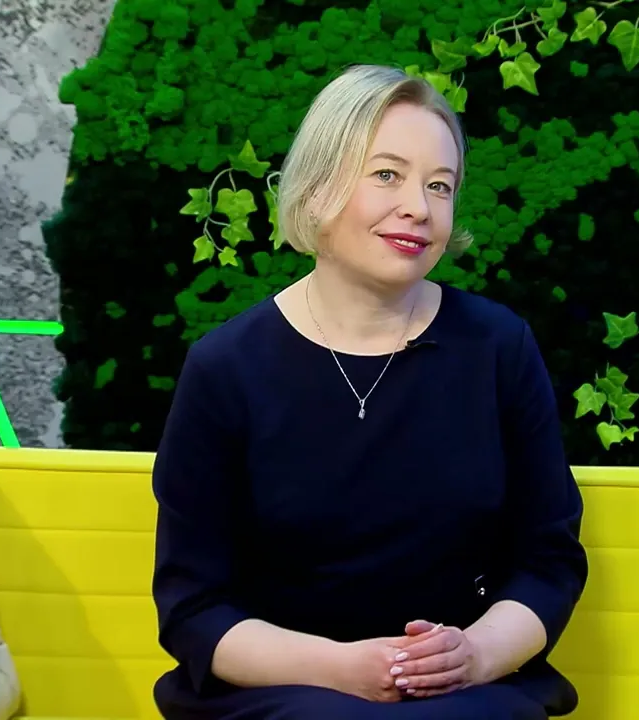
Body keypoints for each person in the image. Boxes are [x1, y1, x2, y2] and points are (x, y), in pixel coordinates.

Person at [150, 64, 588, 720]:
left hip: (462, 693)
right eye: (387, 174)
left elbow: (548, 561)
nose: (419, 207)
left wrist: (474, 653)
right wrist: (341, 669)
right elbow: (194, 609)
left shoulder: (498, 348)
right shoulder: (226, 367)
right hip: (284, 689)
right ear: (318, 187)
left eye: (439, 186)